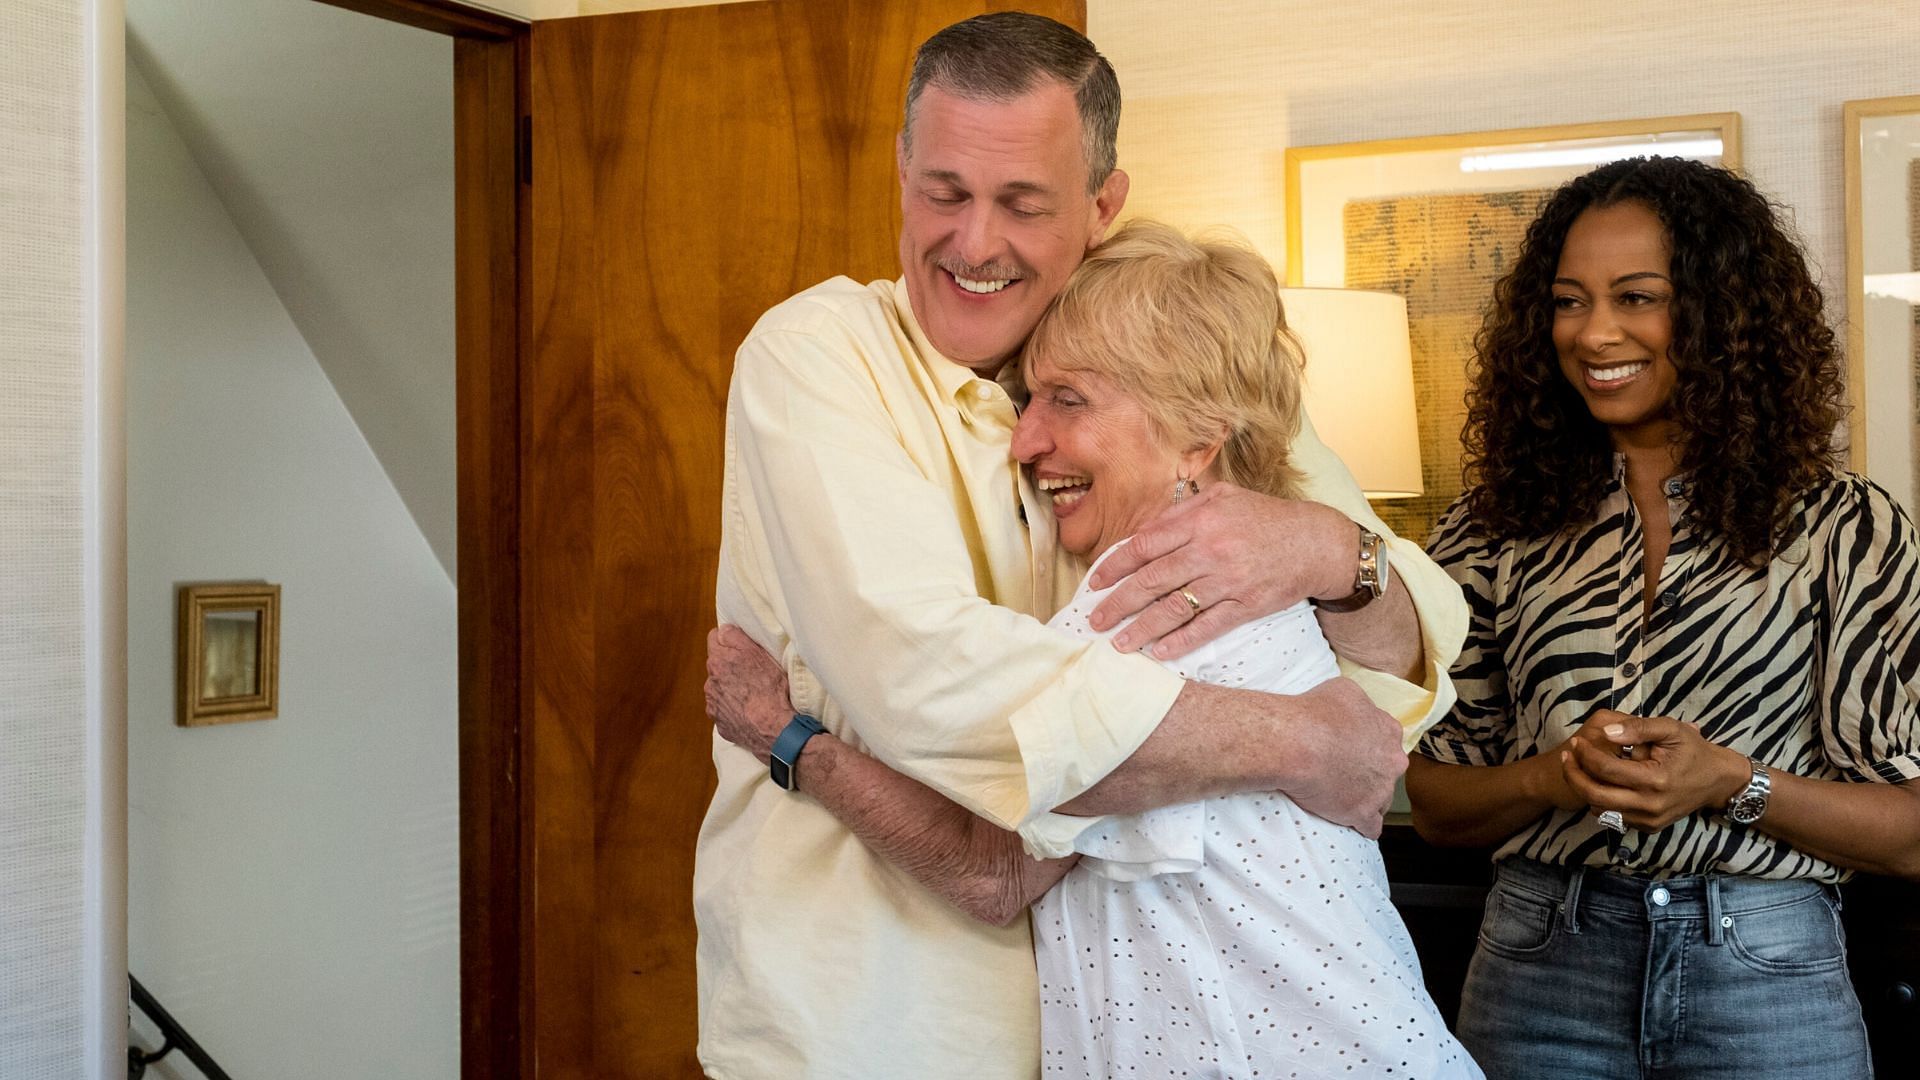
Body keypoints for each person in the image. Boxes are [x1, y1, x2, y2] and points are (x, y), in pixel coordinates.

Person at [695, 12, 1467, 1080]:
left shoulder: (1169, 363)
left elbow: (1408, 642)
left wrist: (1333, 550)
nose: (973, 243)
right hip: (870, 1024)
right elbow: (926, 683)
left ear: (1104, 205)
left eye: (1022, 202)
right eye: (945, 193)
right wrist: (1296, 741)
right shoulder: (819, 353)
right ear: (900, 175)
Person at [1405, 154, 1920, 1079]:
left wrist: (1731, 781)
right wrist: (1552, 779)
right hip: (1537, 968)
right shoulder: (1487, 532)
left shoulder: (1845, 526)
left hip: (1768, 977)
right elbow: (1435, 805)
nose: (1595, 332)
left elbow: (1913, 832)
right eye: (1568, 301)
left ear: (1725, 315)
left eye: (1637, 296)